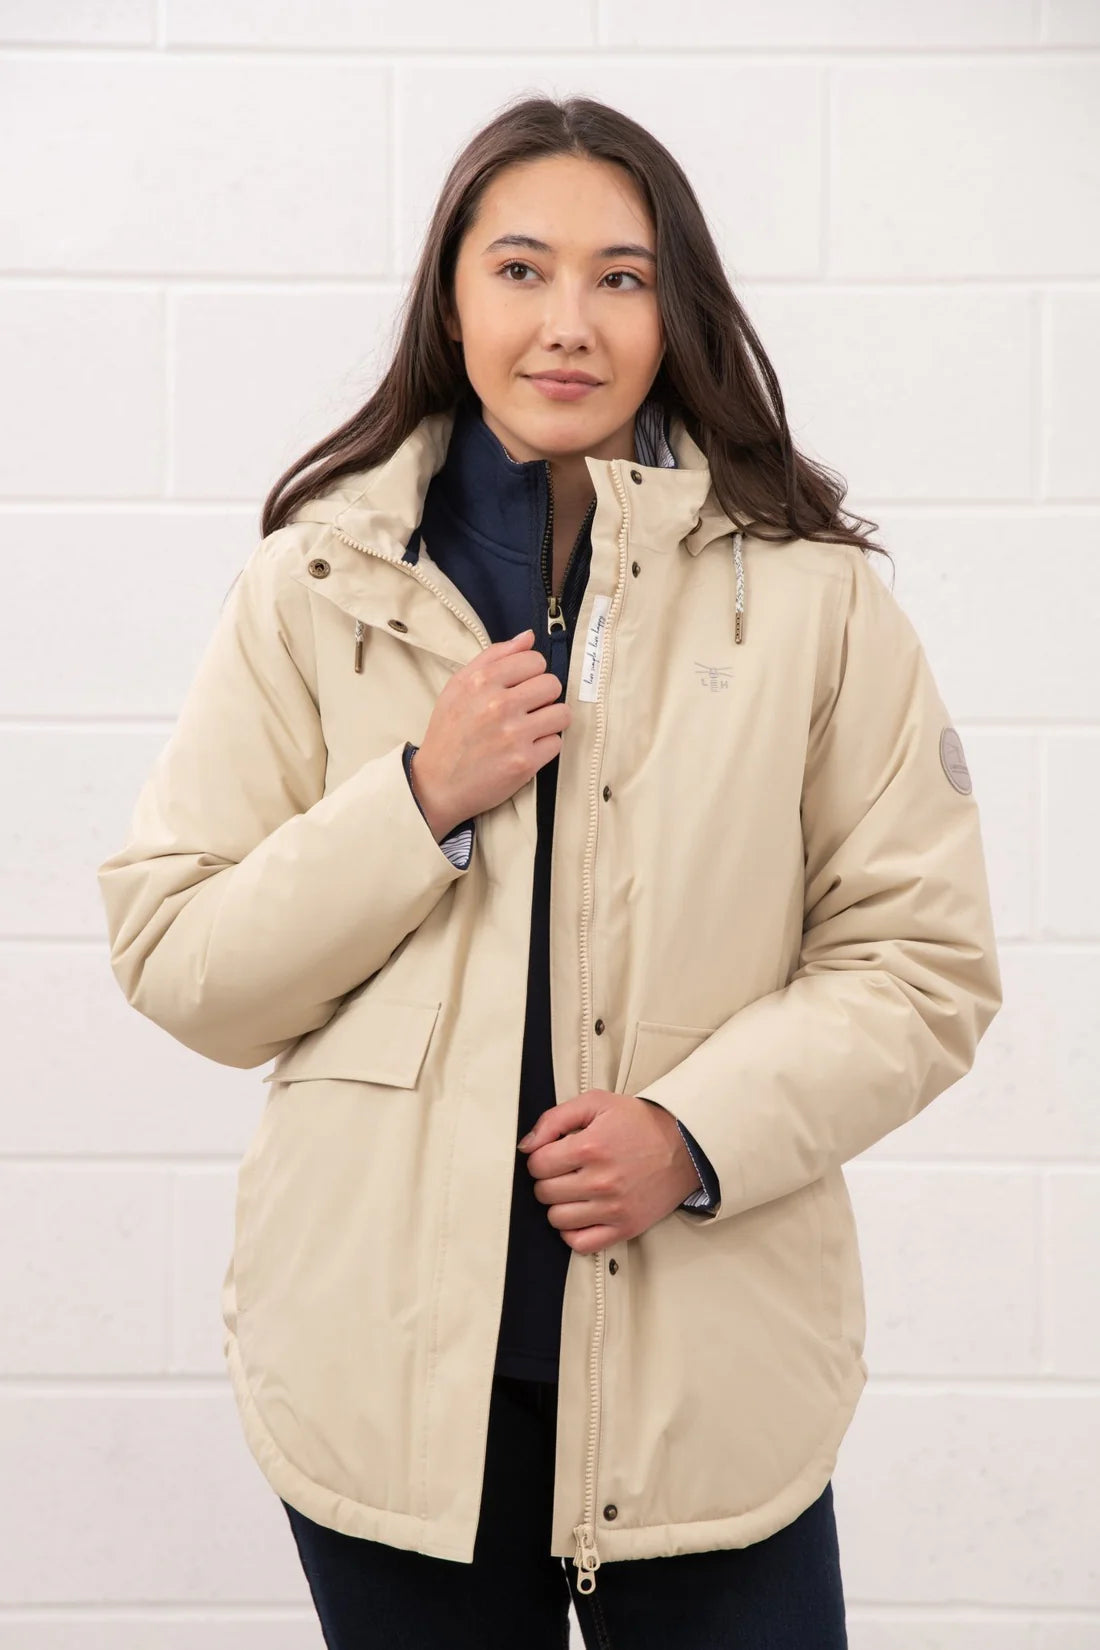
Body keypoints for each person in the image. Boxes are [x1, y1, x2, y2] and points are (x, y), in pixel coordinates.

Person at [96, 94, 1003, 1649]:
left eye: (622, 277)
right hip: (388, 1386)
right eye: (521, 269)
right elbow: (180, 954)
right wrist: (418, 798)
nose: (567, 323)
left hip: (709, 1382)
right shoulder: (315, 585)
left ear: (678, 308)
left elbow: (921, 964)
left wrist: (691, 1132)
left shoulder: (813, 603)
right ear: (452, 298)